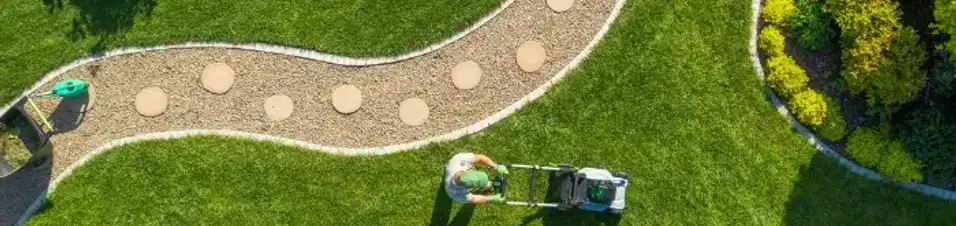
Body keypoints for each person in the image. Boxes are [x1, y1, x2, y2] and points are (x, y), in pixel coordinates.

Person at [444, 152, 509, 204]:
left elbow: (480, 157)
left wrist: (496, 166)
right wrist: (491, 199)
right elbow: (474, 199)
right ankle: (489, 185)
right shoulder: (456, 194)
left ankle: (489, 184)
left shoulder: (460, 159)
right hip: (454, 188)